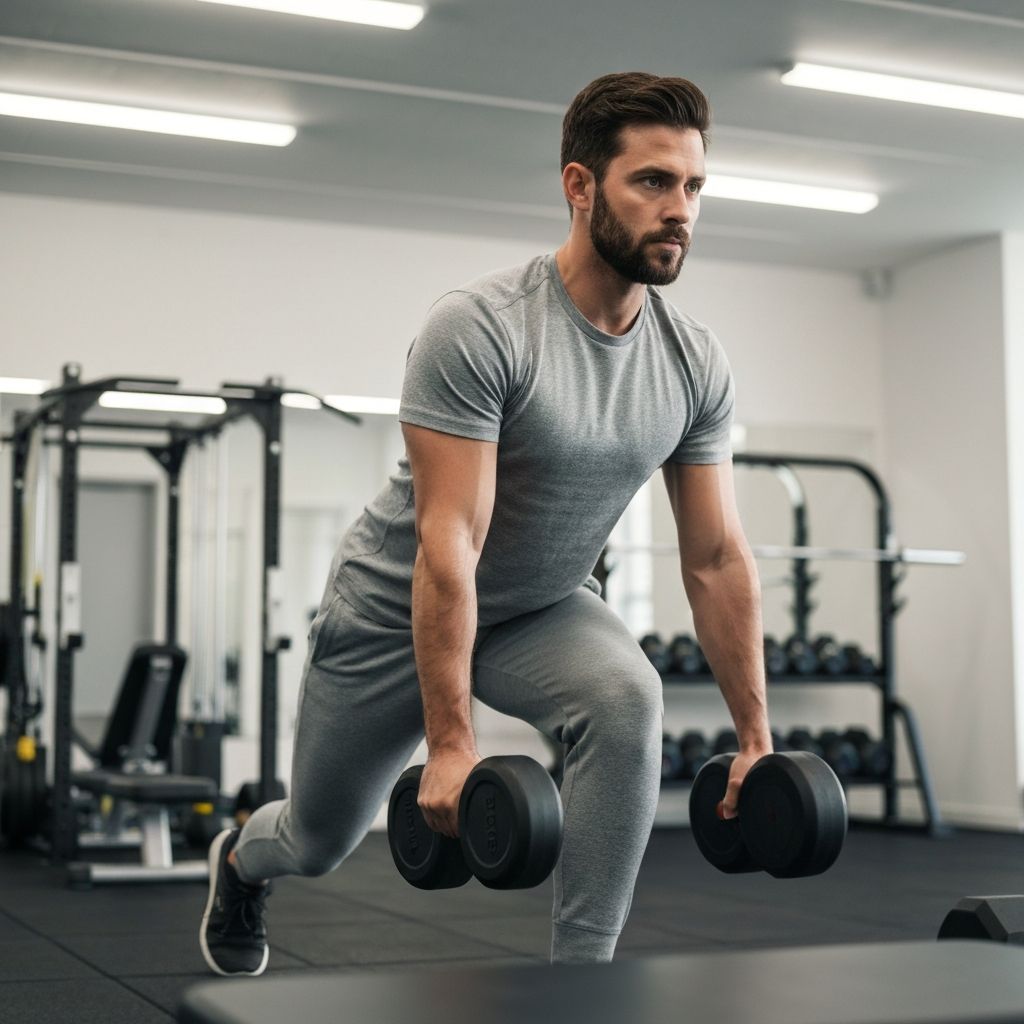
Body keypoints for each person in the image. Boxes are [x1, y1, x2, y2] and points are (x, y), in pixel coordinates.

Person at [199, 70, 771, 977]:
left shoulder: (692, 361)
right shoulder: (484, 329)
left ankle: (582, 984)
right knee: (317, 838)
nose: (681, 210)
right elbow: (448, 546)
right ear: (580, 186)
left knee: (628, 700)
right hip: (395, 613)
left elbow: (713, 557)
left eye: (694, 186)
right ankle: (239, 861)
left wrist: (755, 742)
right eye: (653, 182)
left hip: (540, 607)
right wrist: (452, 744)